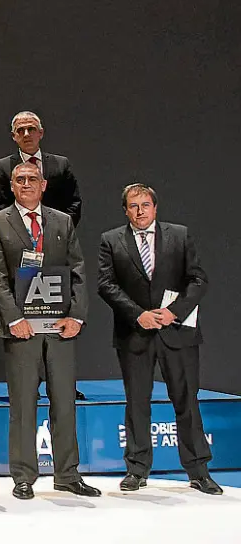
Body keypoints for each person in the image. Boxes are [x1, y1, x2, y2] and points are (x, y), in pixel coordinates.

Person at [97, 184, 220, 494]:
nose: (140, 211)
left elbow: (198, 279)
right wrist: (138, 314)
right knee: (137, 403)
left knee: (187, 401)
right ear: (125, 210)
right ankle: (136, 470)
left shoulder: (179, 235)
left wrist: (173, 312)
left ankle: (199, 471)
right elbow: (106, 285)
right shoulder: (111, 240)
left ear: (155, 207)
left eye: (145, 204)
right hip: (135, 333)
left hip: (176, 332)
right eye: (133, 206)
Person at [0, 161, 98, 499]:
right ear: (12, 186)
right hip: (21, 329)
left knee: (64, 402)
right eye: (20, 179)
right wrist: (13, 319)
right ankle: (23, 476)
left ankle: (67, 474)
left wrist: (76, 316)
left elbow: (77, 270)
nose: (26, 184)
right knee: (23, 405)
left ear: (43, 184)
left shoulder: (62, 221)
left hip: (59, 328)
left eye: (32, 178)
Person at [0, 111, 82, 224]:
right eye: (20, 130)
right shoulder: (2, 167)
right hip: (16, 232)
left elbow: (73, 203)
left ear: (41, 133)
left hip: (57, 231)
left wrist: (61, 229)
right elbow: (0, 208)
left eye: (31, 129)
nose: (26, 134)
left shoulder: (61, 164)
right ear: (14, 136)